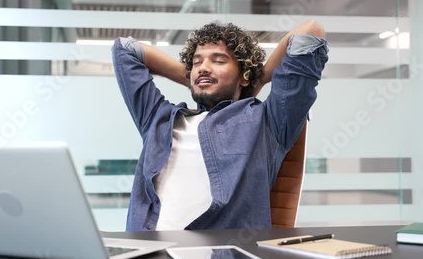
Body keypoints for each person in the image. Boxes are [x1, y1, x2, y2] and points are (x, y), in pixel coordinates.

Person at [111, 20, 328, 231]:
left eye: (218, 61)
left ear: (243, 76)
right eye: (196, 62)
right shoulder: (158, 119)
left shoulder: (267, 122)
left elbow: (311, 32)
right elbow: (124, 50)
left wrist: (257, 79)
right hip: (148, 251)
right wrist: (194, 77)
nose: (203, 68)